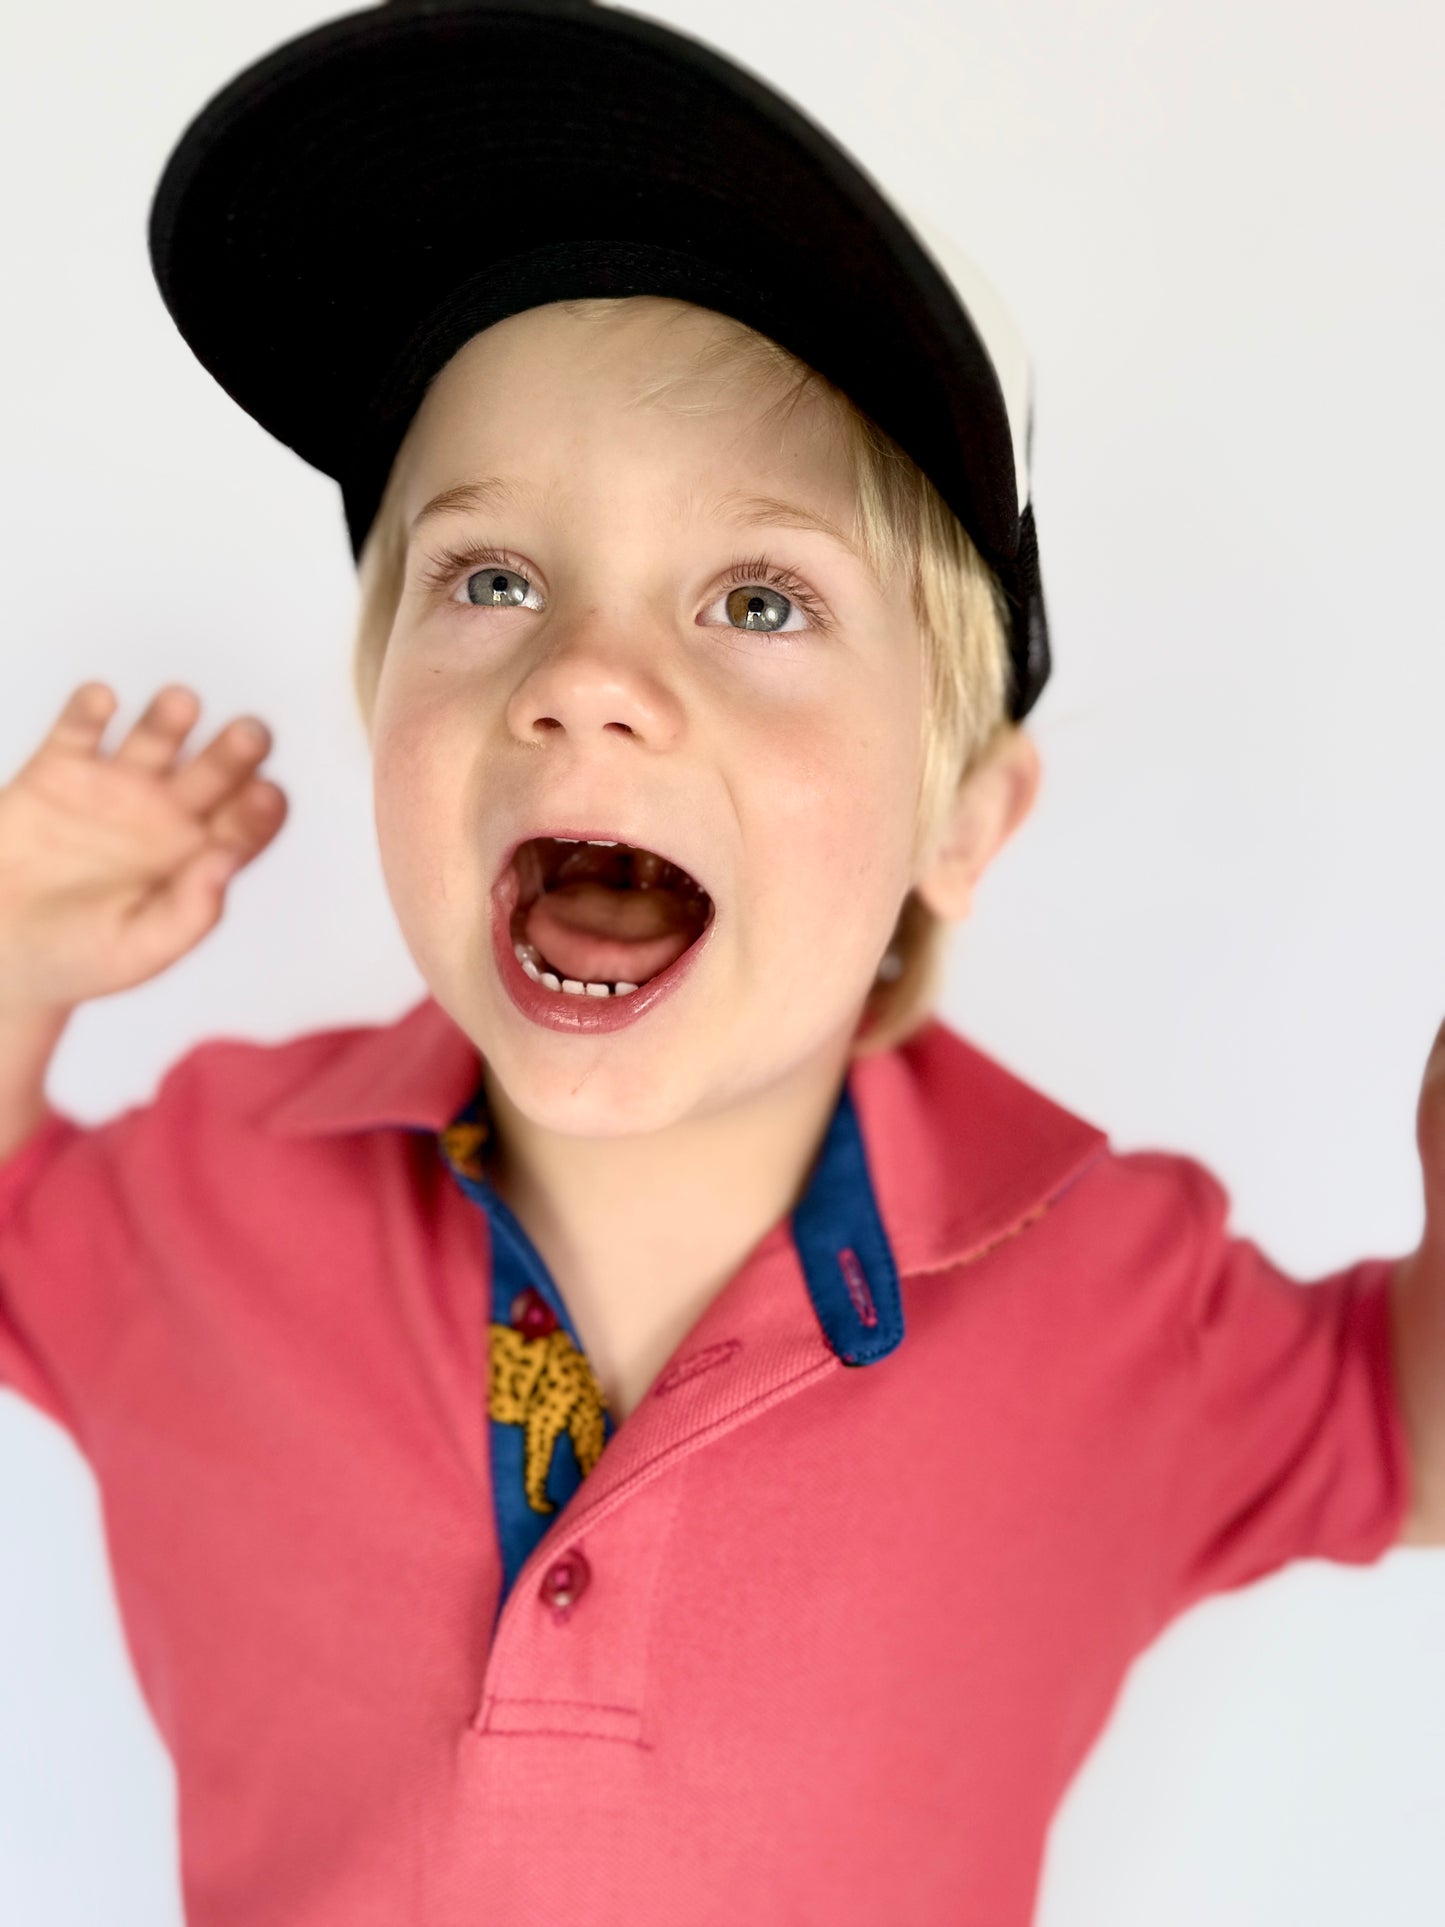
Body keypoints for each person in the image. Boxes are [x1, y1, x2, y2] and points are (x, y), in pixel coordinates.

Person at [1, 4, 1442, 1923]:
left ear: (960, 826)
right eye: (490, 577)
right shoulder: (208, 1190)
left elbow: (1399, 1441)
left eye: (758, 599)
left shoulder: (1111, 1297)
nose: (584, 676)